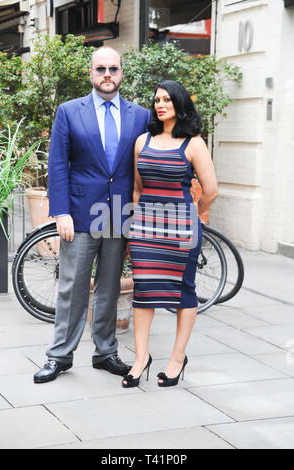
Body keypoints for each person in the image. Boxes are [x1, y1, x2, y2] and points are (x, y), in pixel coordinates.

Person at [34, 47, 151, 384]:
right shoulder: (70, 112)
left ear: (122, 73)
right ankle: (59, 357)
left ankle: (105, 353)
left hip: (119, 213)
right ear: (91, 73)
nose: (107, 75)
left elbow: (143, 164)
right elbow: (57, 165)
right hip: (82, 213)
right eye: (101, 69)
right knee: (72, 287)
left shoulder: (140, 115)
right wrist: (61, 212)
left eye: (113, 69)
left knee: (109, 287)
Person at [122, 80, 218, 388]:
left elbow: (211, 190)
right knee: (143, 292)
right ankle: (141, 359)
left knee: (183, 293)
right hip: (144, 228)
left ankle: (177, 358)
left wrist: (197, 215)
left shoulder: (193, 143)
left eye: (167, 100)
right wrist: (133, 227)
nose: (160, 105)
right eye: (157, 100)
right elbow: (137, 189)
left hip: (181, 229)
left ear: (179, 104)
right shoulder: (143, 141)